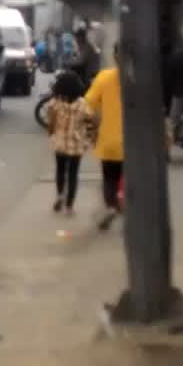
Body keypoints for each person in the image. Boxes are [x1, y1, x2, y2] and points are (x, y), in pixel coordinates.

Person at [85, 43, 124, 231]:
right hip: (136, 144)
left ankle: (111, 206)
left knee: (109, 179)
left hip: (109, 142)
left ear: (115, 57)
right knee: (131, 179)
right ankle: (126, 205)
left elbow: (88, 105)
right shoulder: (142, 79)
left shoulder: (104, 77)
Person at [46, 70, 92, 216]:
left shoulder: (55, 103)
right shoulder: (82, 104)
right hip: (76, 144)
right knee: (73, 174)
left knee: (60, 170)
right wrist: (88, 139)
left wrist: (52, 133)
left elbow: (51, 122)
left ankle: (60, 195)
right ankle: (69, 206)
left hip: (59, 142)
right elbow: (90, 121)